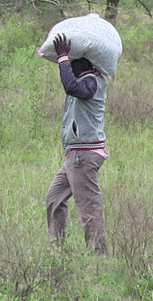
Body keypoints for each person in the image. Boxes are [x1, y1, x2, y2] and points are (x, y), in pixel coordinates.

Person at [45, 33, 109, 255]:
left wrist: (62, 58)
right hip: (76, 155)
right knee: (54, 199)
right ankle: (56, 252)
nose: (69, 66)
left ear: (82, 62)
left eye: (73, 61)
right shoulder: (87, 79)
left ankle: (100, 259)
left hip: (84, 155)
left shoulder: (92, 81)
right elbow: (71, 85)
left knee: (89, 209)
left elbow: (71, 87)